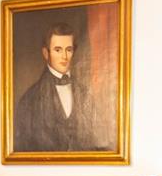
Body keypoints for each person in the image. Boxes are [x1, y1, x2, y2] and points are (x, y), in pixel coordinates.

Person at [13, 22, 99, 152]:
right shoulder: (29, 100)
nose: (64, 56)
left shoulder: (85, 94)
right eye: (58, 50)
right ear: (46, 53)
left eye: (68, 50)